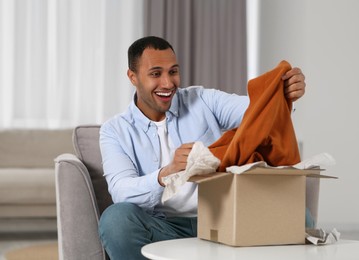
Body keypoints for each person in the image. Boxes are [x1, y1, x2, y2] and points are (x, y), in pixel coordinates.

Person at [98, 36, 306, 259]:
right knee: (116, 220)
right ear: (133, 77)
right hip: (162, 227)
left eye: (173, 71)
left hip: (222, 219)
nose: (168, 83)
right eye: (156, 74)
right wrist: (166, 173)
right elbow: (121, 190)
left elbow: (256, 110)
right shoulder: (115, 130)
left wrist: (282, 95)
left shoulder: (203, 100)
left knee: (301, 218)